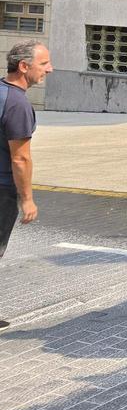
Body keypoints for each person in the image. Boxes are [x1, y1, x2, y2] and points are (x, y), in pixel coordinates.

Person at [0, 40, 52, 333]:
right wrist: (27, 199)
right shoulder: (18, 104)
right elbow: (20, 158)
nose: (49, 69)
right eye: (43, 64)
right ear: (23, 66)